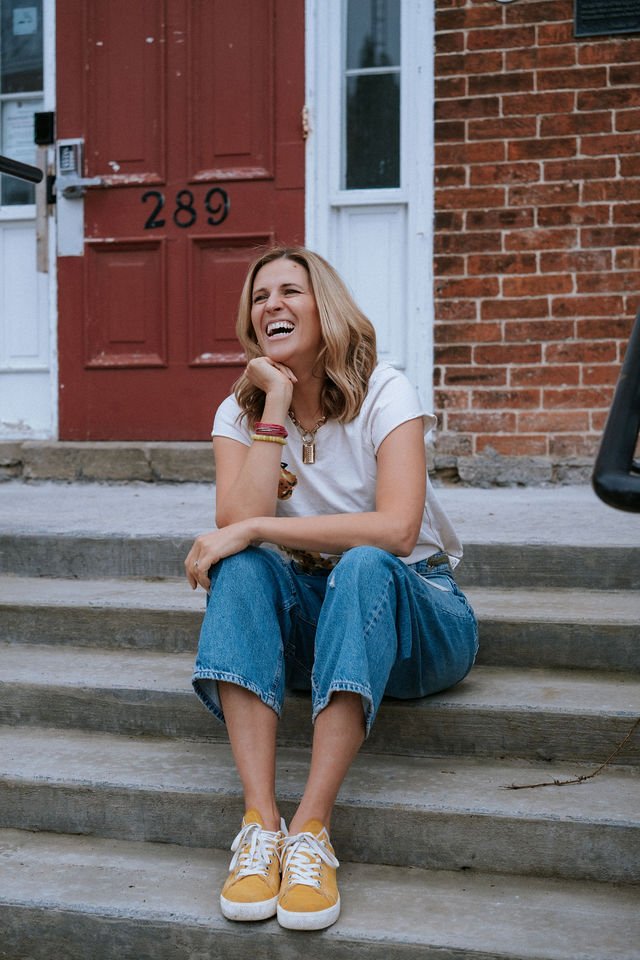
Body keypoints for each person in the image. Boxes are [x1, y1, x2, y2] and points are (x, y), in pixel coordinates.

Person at [184, 246, 478, 932]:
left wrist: (256, 524)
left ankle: (312, 830)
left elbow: (400, 529)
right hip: (317, 625)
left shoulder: (386, 389)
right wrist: (275, 408)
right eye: (260, 297)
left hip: (417, 613)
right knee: (245, 565)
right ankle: (262, 827)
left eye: (291, 290)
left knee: (366, 562)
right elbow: (236, 528)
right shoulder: (243, 412)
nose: (272, 306)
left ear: (327, 306)